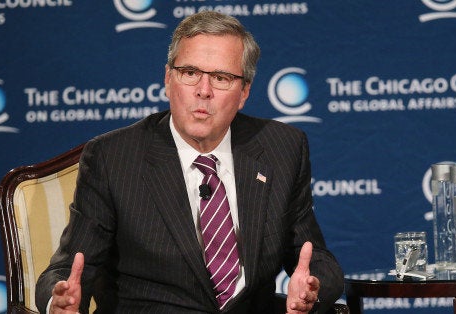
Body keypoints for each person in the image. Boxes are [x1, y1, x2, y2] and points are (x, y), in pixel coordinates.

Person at [36, 11, 343, 314]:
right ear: (168, 79)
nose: (203, 90)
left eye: (221, 78)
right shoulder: (113, 157)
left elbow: (313, 257)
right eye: (190, 73)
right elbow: (68, 269)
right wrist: (59, 301)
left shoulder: (282, 148)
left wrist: (312, 289)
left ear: (244, 93)